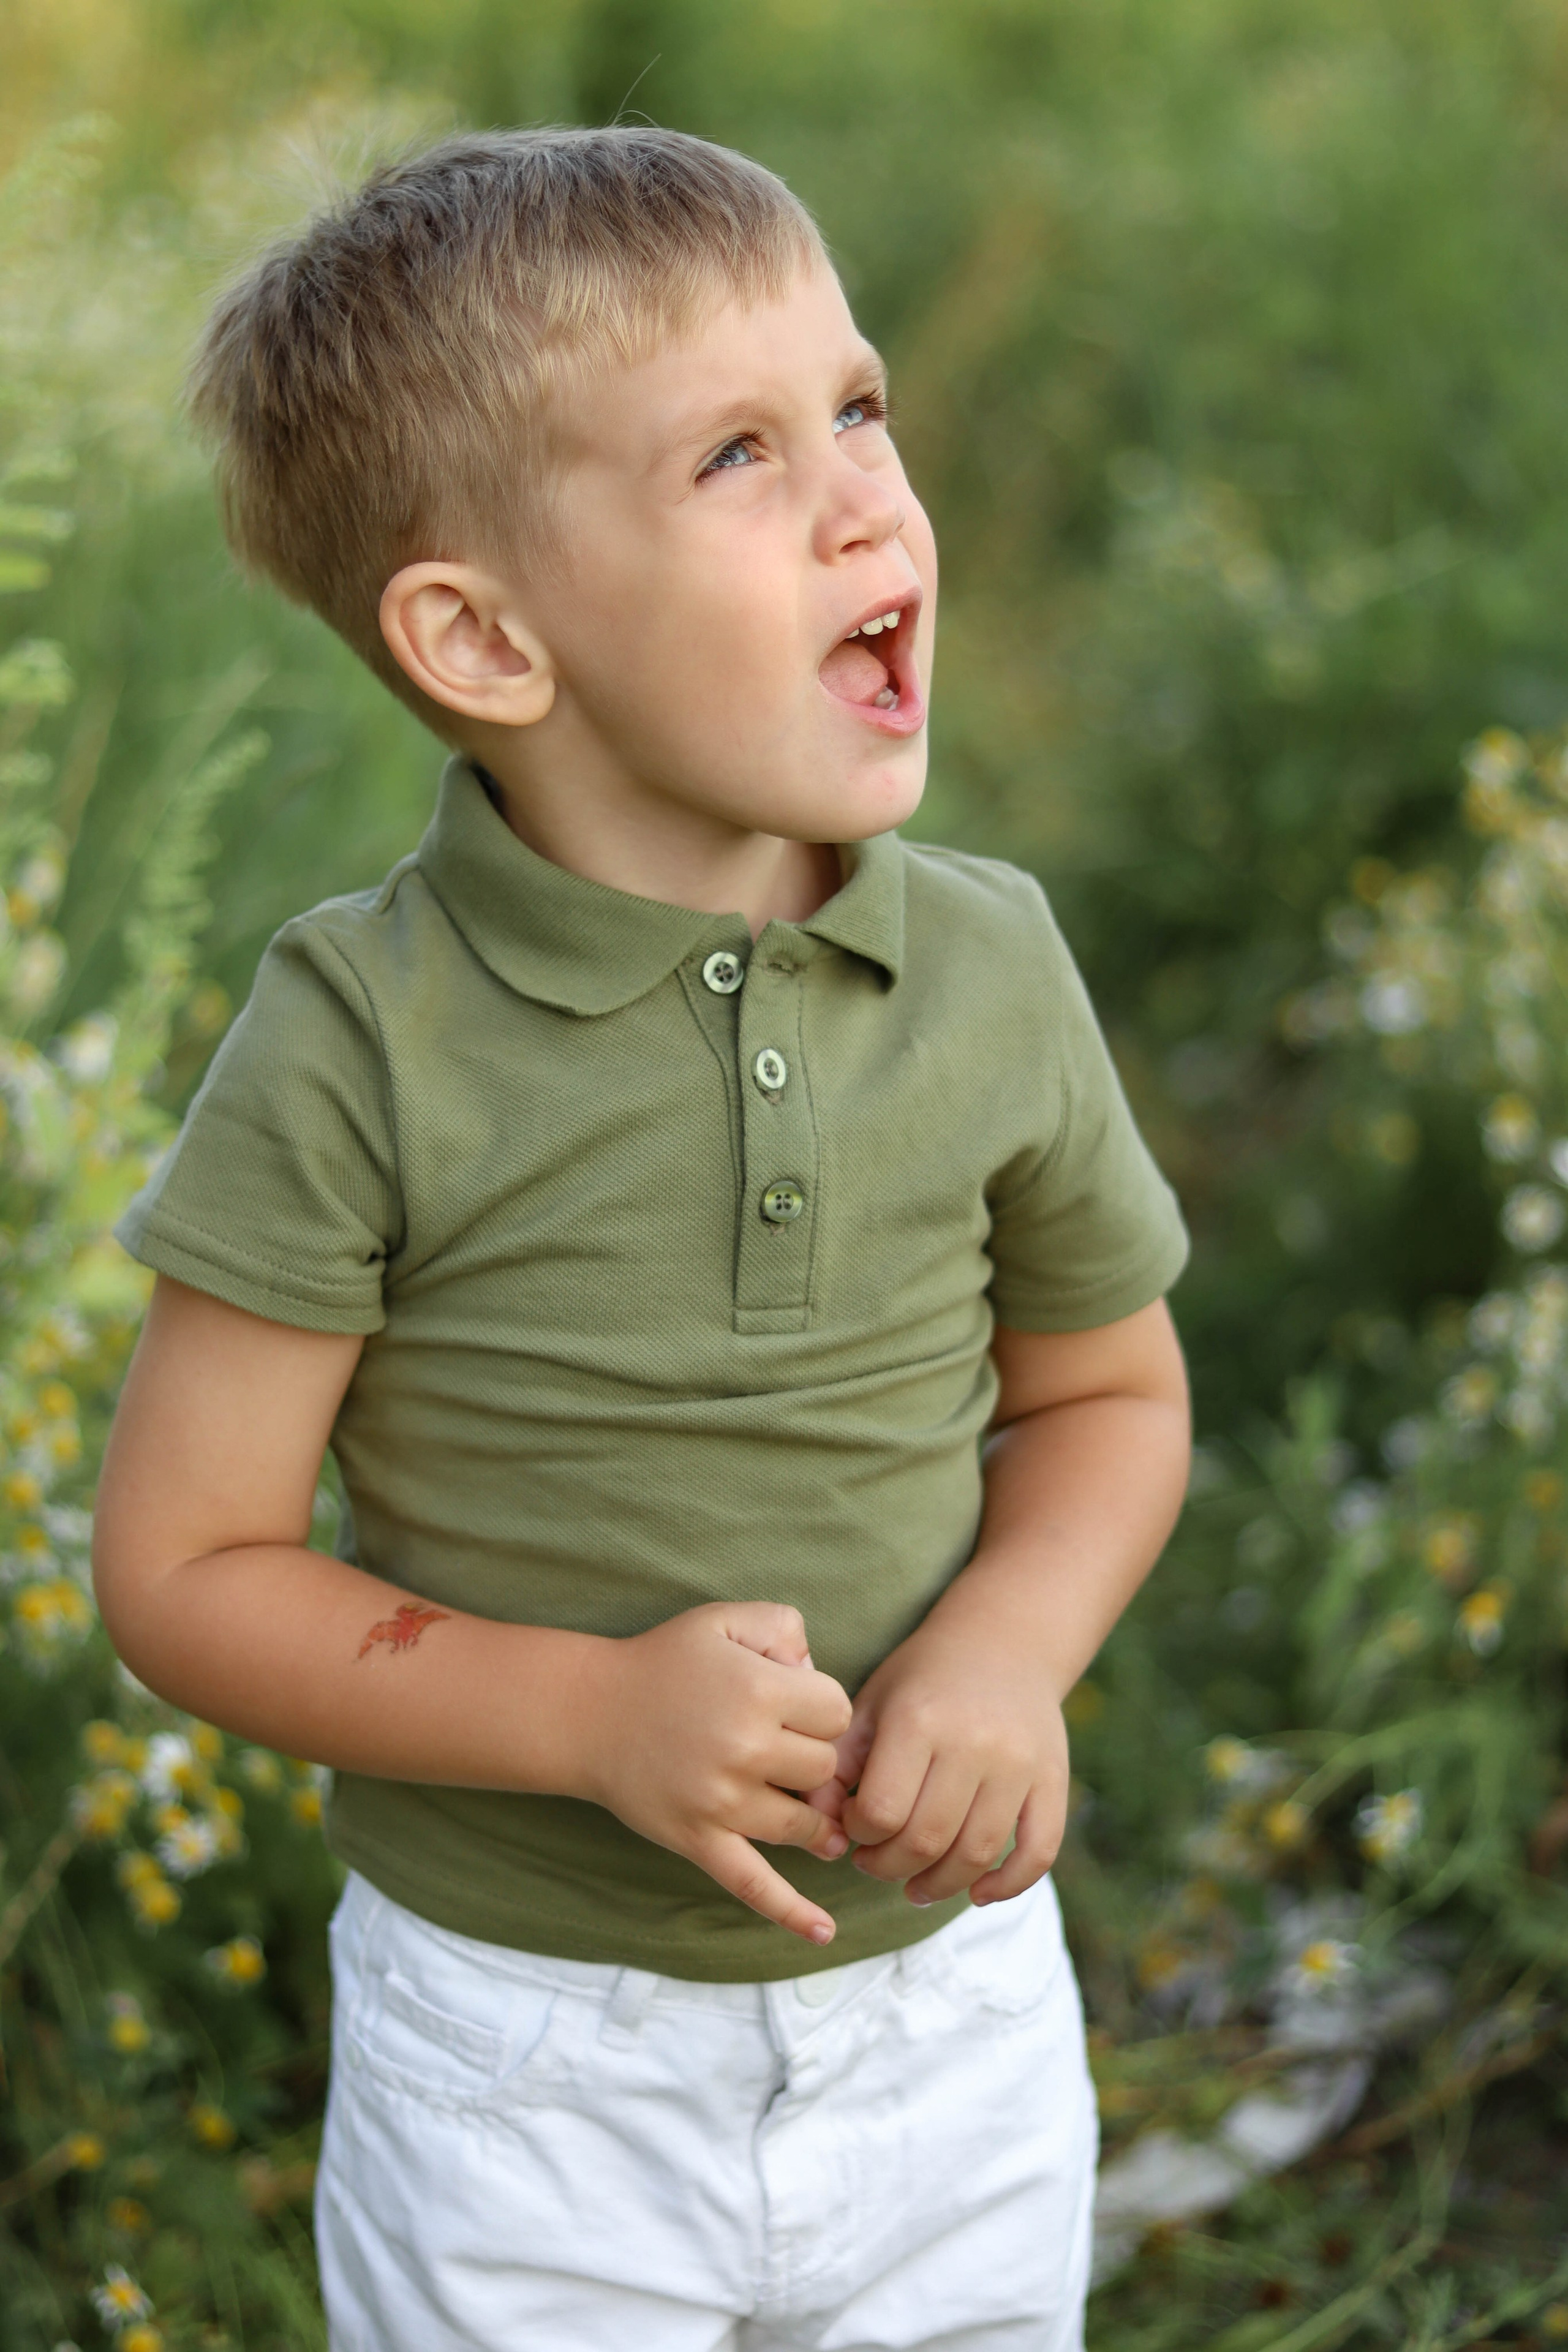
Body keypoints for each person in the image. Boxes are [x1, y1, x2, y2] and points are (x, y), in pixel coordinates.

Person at [92, 126, 1192, 2351]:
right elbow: (185, 1568)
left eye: (860, 407)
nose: (869, 502)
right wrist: (588, 1713)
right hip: (526, 2053)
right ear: (486, 638)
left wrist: (1007, 1650)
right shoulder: (362, 1037)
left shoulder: (992, 969)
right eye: (739, 455)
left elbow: (1111, 1393)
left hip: (949, 2009)